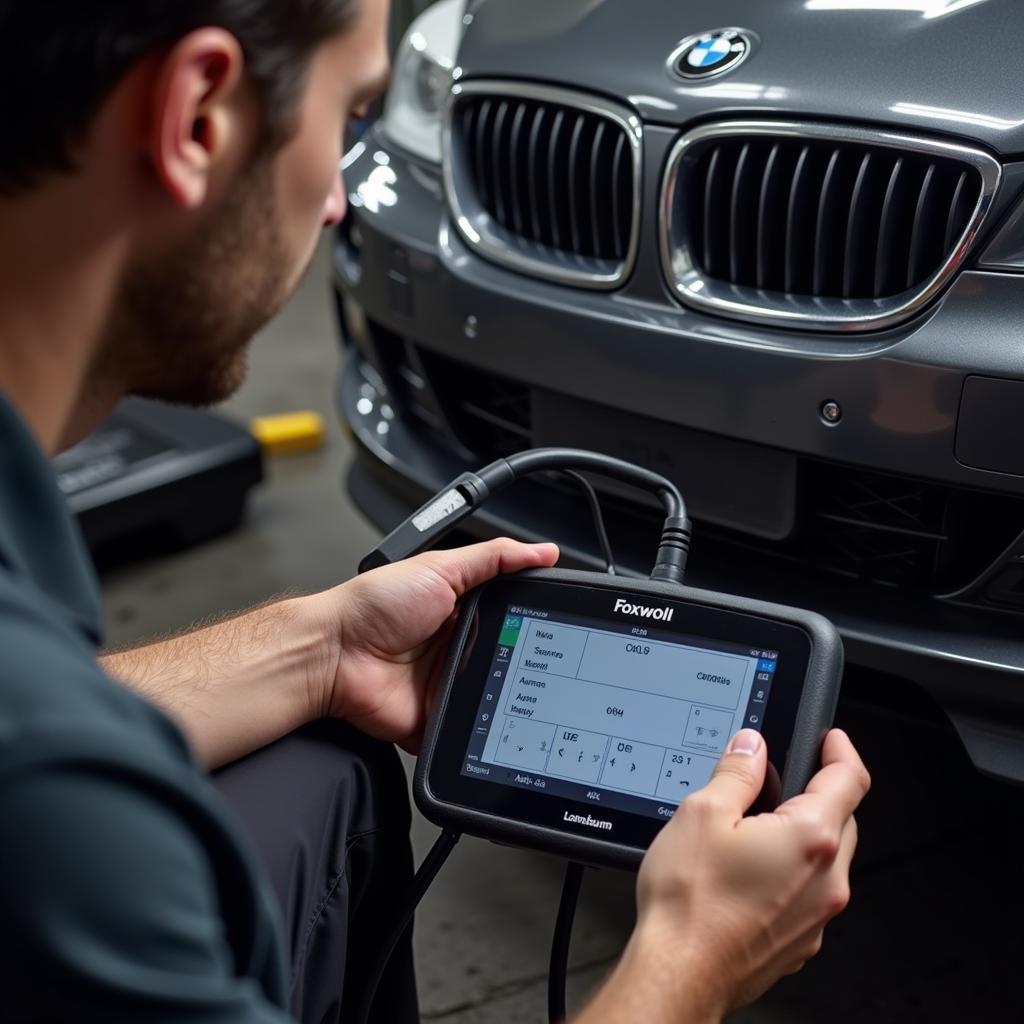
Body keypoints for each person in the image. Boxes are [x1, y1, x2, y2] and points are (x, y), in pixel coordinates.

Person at [0, 0, 870, 1021]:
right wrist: (694, 959)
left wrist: (318, 650)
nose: (337, 201)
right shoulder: (55, 797)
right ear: (198, 117)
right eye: (353, 112)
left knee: (325, 768)